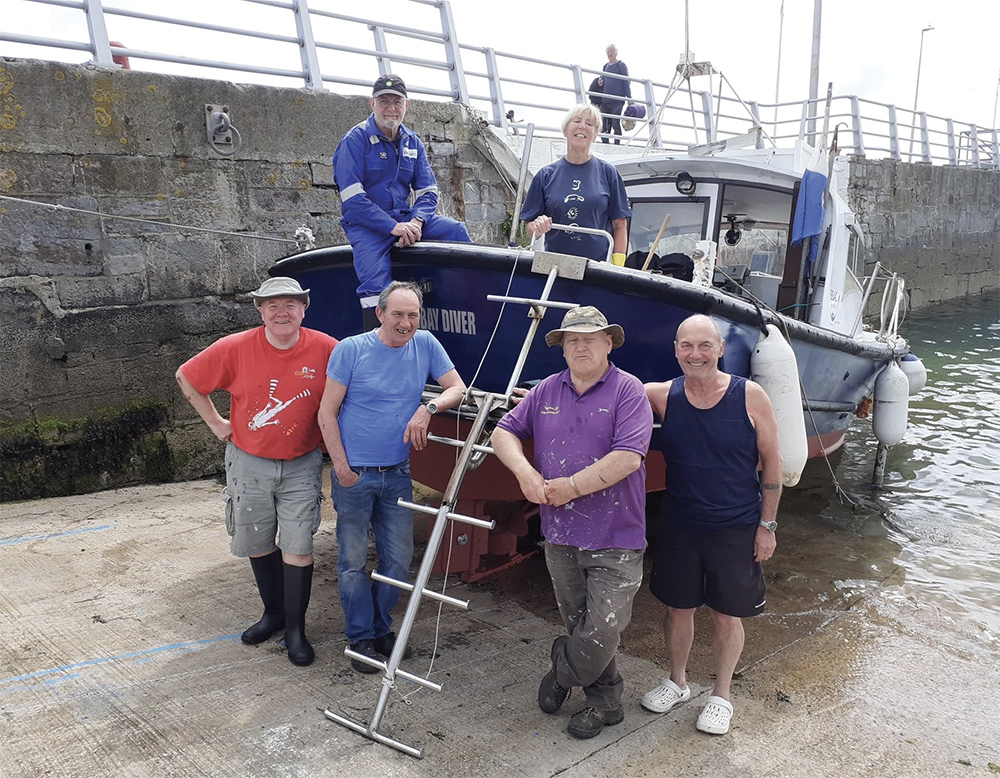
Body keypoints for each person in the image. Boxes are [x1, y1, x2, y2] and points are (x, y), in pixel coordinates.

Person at [491, 305, 653, 740]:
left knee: (603, 626)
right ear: (563, 348)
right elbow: (501, 432)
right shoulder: (545, 390)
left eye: (589, 338)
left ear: (608, 343)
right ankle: (606, 704)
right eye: (571, 340)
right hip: (560, 534)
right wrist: (526, 473)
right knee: (581, 621)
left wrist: (572, 487)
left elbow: (628, 457)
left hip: (617, 535)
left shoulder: (629, 391)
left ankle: (562, 670)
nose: (580, 346)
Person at [175, 277, 338, 667]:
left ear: (304, 308)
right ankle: (273, 614)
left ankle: (296, 630)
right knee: (258, 541)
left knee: (298, 546)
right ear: (260, 310)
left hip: (301, 462)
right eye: (272, 305)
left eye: (290, 305)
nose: (282, 312)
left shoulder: (328, 348)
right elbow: (186, 376)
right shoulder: (234, 347)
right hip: (249, 461)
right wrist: (216, 423)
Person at [641, 314, 782, 735]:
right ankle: (678, 682)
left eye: (705, 346)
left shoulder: (750, 396)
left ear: (720, 349)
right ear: (676, 351)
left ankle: (721, 695)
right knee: (677, 609)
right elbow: (603, 389)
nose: (696, 354)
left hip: (736, 525)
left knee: (726, 616)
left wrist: (767, 526)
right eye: (687, 346)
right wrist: (538, 395)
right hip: (681, 523)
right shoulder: (663, 395)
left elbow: (773, 462)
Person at [317, 281, 467, 673]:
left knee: (398, 561)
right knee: (351, 561)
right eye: (398, 314)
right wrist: (342, 469)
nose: (406, 322)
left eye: (413, 315)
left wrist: (427, 407)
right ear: (380, 314)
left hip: (397, 472)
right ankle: (361, 637)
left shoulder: (426, 344)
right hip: (356, 475)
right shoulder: (350, 349)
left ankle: (381, 624)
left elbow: (458, 389)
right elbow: (326, 413)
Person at [332, 74, 471, 330]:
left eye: (397, 102)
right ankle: (380, 347)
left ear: (407, 106)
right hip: (367, 226)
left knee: (456, 231)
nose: (391, 108)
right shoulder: (355, 140)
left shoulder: (412, 141)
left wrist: (417, 221)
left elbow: (428, 191)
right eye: (384, 101)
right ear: (371, 104)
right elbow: (353, 199)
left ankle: (471, 303)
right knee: (375, 285)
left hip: (406, 219)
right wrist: (392, 227)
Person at [520, 104, 631, 265]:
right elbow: (530, 227)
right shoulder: (545, 176)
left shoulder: (608, 173)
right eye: (577, 121)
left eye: (589, 123)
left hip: (598, 268)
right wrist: (537, 226)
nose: (582, 126)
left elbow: (619, 224)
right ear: (565, 129)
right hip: (555, 267)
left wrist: (616, 267)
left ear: (595, 135)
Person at [600, 44, 631, 145]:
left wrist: (629, 98)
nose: (610, 53)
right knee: (604, 124)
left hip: (617, 100)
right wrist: (599, 82)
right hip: (605, 99)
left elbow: (626, 82)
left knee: (615, 122)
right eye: (609, 51)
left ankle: (617, 144)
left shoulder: (621, 66)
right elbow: (602, 79)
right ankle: (606, 144)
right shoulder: (605, 66)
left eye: (612, 51)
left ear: (616, 53)